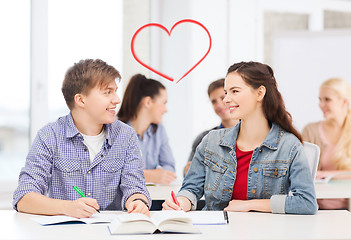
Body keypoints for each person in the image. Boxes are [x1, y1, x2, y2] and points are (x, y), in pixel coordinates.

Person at [163, 61, 317, 214]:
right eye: (226, 92)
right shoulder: (211, 141)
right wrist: (181, 203)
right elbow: (190, 189)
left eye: (234, 91)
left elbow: (306, 202)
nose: (226, 99)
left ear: (260, 93)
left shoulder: (289, 146)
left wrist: (250, 205)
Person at [13, 59, 151, 218]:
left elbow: (135, 187)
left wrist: (138, 202)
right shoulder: (49, 135)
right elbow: (24, 197)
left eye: (115, 91)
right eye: (107, 92)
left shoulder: (126, 135)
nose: (117, 99)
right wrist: (67, 207)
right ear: (80, 100)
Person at [117, 74, 176, 185]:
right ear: (148, 102)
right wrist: (147, 175)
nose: (165, 110)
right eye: (164, 103)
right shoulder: (115, 130)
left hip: (154, 198)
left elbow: (170, 167)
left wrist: (159, 174)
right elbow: (109, 174)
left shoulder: (159, 131)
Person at [302, 78, 351, 209]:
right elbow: (301, 171)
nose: (321, 105)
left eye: (327, 99)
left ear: (344, 102)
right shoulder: (310, 131)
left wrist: (329, 174)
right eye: (320, 99)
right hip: (317, 207)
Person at [183, 78, 239, 176]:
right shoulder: (204, 138)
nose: (219, 105)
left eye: (222, 98)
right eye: (214, 101)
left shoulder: (253, 135)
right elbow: (189, 175)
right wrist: (188, 171)